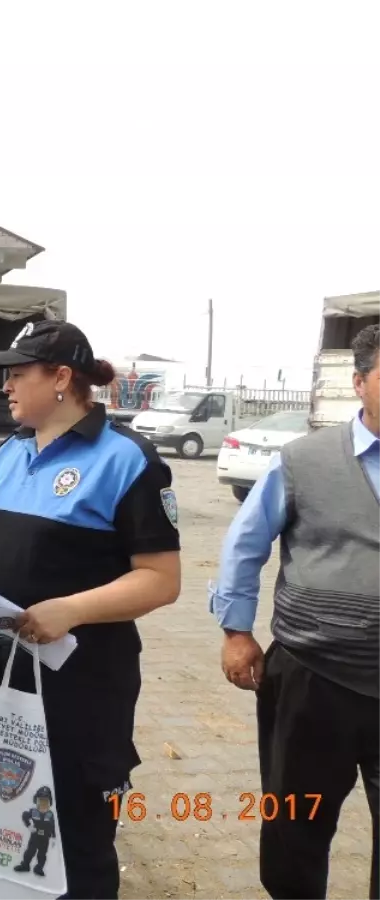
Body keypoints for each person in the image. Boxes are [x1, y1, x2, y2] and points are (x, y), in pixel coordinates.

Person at [0, 320, 182, 900]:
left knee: (77, 842)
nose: (6, 387)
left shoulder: (127, 460)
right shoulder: (8, 453)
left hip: (80, 695)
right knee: (1, 833)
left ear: (61, 378)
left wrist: (72, 610)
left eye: (17, 374)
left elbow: (161, 580)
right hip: (0, 687)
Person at [210, 323, 380, 900]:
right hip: (314, 676)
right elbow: (245, 544)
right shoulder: (305, 460)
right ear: (359, 382)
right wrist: (237, 632)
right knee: (294, 825)